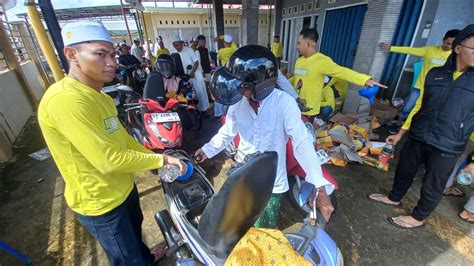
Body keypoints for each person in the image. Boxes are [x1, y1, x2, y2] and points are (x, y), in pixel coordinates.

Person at [38, 21, 187, 265]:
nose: (112, 62)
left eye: (112, 54)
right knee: (127, 259)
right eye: (100, 54)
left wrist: (155, 162)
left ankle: (146, 258)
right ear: (71, 54)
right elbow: (109, 160)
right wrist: (163, 159)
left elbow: (124, 141)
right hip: (101, 204)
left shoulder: (100, 96)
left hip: (124, 189)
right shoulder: (67, 101)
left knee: (135, 241)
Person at [195, 45, 335, 228]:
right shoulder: (237, 103)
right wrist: (207, 150)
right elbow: (227, 132)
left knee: (264, 228)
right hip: (243, 172)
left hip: (272, 181)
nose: (239, 91)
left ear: (260, 85)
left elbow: (302, 142)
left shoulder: (284, 103)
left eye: (243, 86)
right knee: (240, 219)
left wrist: (320, 187)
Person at [368, 24, 474, 229]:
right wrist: (401, 132)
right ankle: (394, 197)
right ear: (458, 48)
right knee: (404, 170)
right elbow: (419, 104)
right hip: (419, 134)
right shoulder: (435, 74)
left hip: (448, 144)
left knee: (432, 185)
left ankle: (419, 217)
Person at [290, 28, 385, 122]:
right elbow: (297, 78)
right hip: (294, 105)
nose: (297, 46)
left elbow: (342, 71)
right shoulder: (299, 61)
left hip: (308, 109)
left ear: (308, 44)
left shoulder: (322, 61)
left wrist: (364, 80)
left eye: (299, 43)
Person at [379, 29, 460, 119]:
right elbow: (410, 50)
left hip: (436, 89)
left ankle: (411, 127)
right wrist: (391, 48)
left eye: (452, 44)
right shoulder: (429, 50)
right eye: (447, 43)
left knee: (424, 110)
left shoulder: (455, 57)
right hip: (419, 86)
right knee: (407, 107)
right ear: (443, 39)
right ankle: (398, 123)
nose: (448, 46)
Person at [172, 36, 210, 114]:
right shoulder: (174, 53)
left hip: (194, 74)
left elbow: (196, 62)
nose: (178, 47)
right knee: (189, 95)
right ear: (173, 45)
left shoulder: (189, 50)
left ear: (182, 43)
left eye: (179, 45)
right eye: (176, 45)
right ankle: (194, 111)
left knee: (200, 93)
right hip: (184, 76)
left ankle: (204, 111)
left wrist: (192, 73)